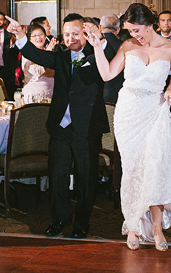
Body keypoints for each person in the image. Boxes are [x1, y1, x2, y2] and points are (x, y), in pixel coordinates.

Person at [84, 3, 171, 251]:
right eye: (131, 30)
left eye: (138, 29)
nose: (135, 35)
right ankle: (132, 224)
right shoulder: (127, 46)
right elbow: (108, 74)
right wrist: (98, 47)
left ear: (151, 23)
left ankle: (156, 228)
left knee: (154, 168)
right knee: (132, 170)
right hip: (128, 114)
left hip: (154, 112)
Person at [6, 12, 116, 239]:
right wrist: (19, 35)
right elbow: (36, 55)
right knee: (58, 173)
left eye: (75, 33)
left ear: (85, 32)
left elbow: (110, 57)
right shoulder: (60, 53)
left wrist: (99, 40)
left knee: (86, 176)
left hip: (86, 125)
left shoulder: (98, 51)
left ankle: (82, 222)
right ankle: (60, 218)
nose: (70, 38)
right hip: (61, 125)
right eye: (66, 34)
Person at [21, 23, 56, 98]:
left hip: (51, 93)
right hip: (33, 94)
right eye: (34, 35)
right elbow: (38, 72)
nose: (38, 37)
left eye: (40, 34)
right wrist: (47, 54)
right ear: (29, 39)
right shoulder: (27, 55)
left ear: (45, 36)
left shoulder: (51, 51)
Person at [100, 14, 125, 102]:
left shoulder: (93, 45)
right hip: (119, 94)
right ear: (118, 30)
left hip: (97, 95)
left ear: (100, 28)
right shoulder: (124, 46)